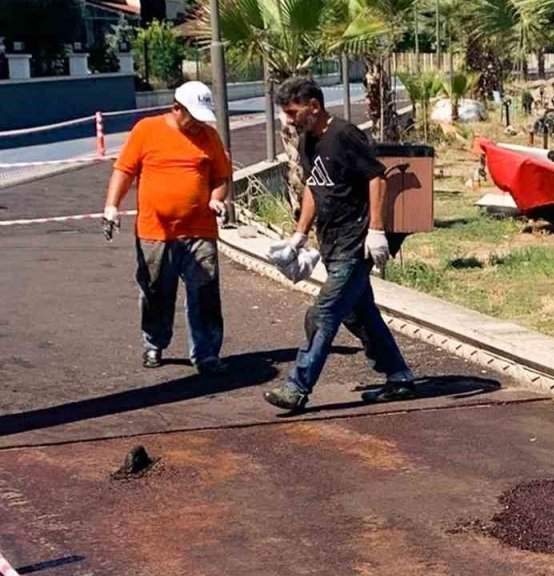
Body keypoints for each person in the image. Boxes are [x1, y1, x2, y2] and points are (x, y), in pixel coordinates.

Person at [263, 76, 417, 411]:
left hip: (354, 243)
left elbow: (377, 177)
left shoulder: (344, 134)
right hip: (331, 245)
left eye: (292, 112)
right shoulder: (308, 141)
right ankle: (399, 376)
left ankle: (297, 387)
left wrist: (376, 229)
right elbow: (313, 186)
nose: (288, 119)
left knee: (323, 314)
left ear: (313, 106)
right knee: (361, 316)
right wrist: (299, 236)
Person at [102, 81, 230, 374]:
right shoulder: (147, 130)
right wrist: (111, 206)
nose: (198, 124)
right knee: (155, 291)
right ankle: (154, 342)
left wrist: (216, 199)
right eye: (193, 117)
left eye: (201, 118)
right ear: (176, 109)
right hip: (155, 233)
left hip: (200, 230)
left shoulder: (209, 136)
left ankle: (206, 353)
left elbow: (221, 177)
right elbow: (124, 170)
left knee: (205, 293)